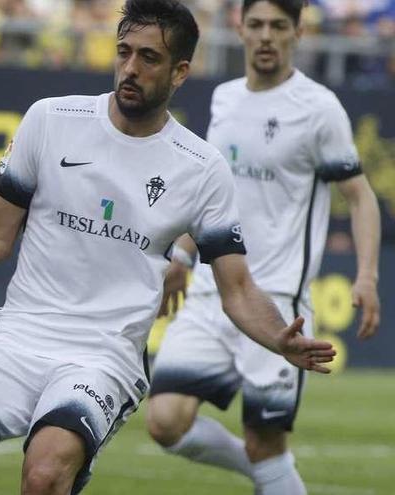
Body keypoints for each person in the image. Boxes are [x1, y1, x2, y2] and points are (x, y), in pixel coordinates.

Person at [0, 1, 336, 493]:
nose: (131, 68)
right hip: (20, 334)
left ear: (180, 72)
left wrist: (278, 337)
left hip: (105, 354)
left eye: (149, 58)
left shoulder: (202, 167)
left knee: (44, 473)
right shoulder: (50, 119)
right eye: (124, 52)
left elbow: (238, 288)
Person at [145, 1, 381, 494]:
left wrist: (367, 276)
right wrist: (184, 256)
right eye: (256, 25)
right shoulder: (226, 99)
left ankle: (272, 473)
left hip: (277, 306)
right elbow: (212, 196)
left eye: (278, 26)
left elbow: (360, 197)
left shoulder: (318, 109)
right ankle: (271, 477)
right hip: (212, 294)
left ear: (298, 31)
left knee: (265, 442)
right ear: (240, 29)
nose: (266, 36)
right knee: (165, 422)